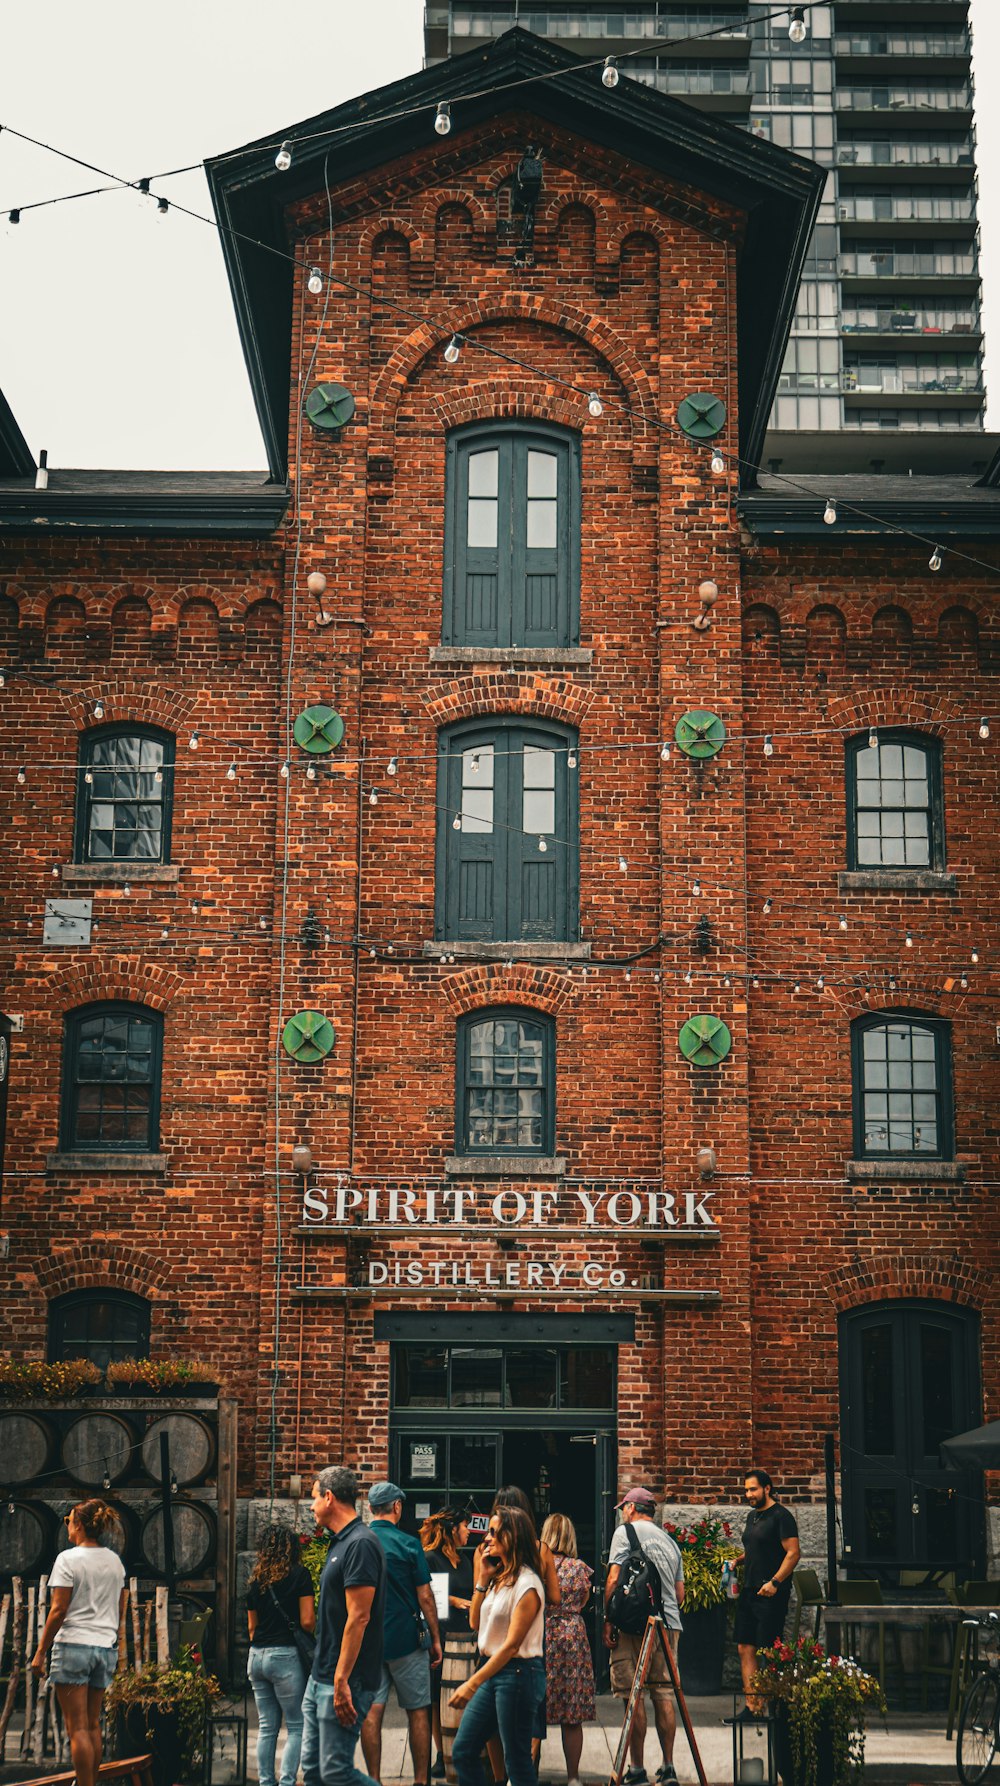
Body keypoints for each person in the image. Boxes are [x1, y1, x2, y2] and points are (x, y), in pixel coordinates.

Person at [30, 1499, 126, 1786]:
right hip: (104, 1648)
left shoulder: (68, 1559)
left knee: (77, 1729)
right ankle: (90, 1783)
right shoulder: (114, 1561)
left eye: (68, 1520)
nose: (67, 1526)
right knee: (93, 1724)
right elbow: (120, 1605)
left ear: (80, 1525)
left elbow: (58, 1610)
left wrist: (39, 1653)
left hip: (73, 1646)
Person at [448, 1506, 546, 1786]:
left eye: (493, 1532)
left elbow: (513, 1644)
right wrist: (482, 1579)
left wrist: (471, 1683)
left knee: (516, 1762)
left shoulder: (527, 1584)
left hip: (518, 1674)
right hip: (494, 1672)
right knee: (464, 1751)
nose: (487, 1538)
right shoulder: (499, 1579)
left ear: (512, 1536)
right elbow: (475, 1622)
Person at [301, 1465, 386, 1786]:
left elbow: (359, 1617)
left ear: (329, 1497)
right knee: (313, 1773)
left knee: (335, 1772)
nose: (311, 1506)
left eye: (314, 1498)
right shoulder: (341, 1542)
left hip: (346, 1681)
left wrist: (340, 1681)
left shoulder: (361, 1544)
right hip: (320, 1677)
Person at [361, 1481, 442, 1786]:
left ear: (370, 1509)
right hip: (407, 1639)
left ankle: (373, 1779)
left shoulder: (359, 1542)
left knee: (371, 1711)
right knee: (418, 1710)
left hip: (368, 1641)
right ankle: (421, 1780)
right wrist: (435, 1638)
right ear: (397, 1507)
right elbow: (425, 1596)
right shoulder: (409, 1544)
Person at [603, 1487, 684, 1786]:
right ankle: (669, 1767)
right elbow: (679, 1595)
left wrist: (608, 1620)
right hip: (669, 1623)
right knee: (663, 1692)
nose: (623, 1512)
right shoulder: (670, 1543)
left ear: (633, 1508)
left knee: (631, 1694)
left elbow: (613, 1578)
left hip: (634, 1626)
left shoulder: (625, 1533)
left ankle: (636, 1769)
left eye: (625, 1507)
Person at [246, 1523, 316, 1786]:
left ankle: (266, 1782)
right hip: (285, 1655)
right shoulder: (300, 1575)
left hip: (256, 1657)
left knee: (267, 1726)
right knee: (297, 1724)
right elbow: (308, 1621)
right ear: (292, 1547)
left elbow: (252, 1629)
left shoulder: (255, 1581)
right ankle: (287, 1782)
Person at [734, 1469, 800, 1719]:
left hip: (771, 1593)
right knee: (745, 1647)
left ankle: (779, 1705)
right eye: (746, 1490)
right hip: (749, 1590)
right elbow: (756, 1548)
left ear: (767, 1488)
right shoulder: (753, 1517)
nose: (749, 1494)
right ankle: (753, 1707)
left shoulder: (781, 1517)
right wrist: (737, 1561)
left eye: (753, 1489)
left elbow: (793, 1553)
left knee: (770, 1650)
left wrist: (775, 1582)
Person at [540, 1513, 595, 1786]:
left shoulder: (538, 1566)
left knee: (535, 1708)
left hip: (543, 1633)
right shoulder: (580, 1568)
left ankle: (528, 1772)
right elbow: (583, 1601)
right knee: (572, 1713)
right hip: (573, 1636)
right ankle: (573, 1777)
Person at [419, 1507, 473, 1779]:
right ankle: (442, 1753)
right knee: (436, 1698)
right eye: (465, 1526)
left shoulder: (465, 1560)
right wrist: (453, 1601)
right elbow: (427, 1596)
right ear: (453, 1530)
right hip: (440, 1634)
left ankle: (461, 1747)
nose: (469, 1531)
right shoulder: (430, 1559)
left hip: (465, 1638)